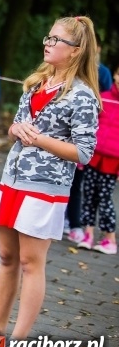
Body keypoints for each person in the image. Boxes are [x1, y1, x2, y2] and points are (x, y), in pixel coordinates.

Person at [0, 16, 100, 347]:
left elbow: (84, 152)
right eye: (48, 36)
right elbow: (16, 127)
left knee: (32, 264)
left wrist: (41, 140)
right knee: (6, 258)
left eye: (56, 39)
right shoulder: (35, 83)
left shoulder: (83, 97)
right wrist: (17, 131)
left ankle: (19, 339)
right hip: (12, 179)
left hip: (45, 188)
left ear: (75, 52)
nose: (47, 42)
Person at [65, 32, 113, 242]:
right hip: (63, 133)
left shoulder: (102, 74)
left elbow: (106, 110)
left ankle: (75, 224)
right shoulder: (65, 66)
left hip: (86, 137)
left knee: (78, 184)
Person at [75, 66, 119, 254]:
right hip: (94, 157)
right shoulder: (103, 97)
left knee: (104, 197)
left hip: (113, 162)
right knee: (88, 195)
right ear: (115, 75)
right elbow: (91, 124)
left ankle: (110, 238)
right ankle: (88, 234)